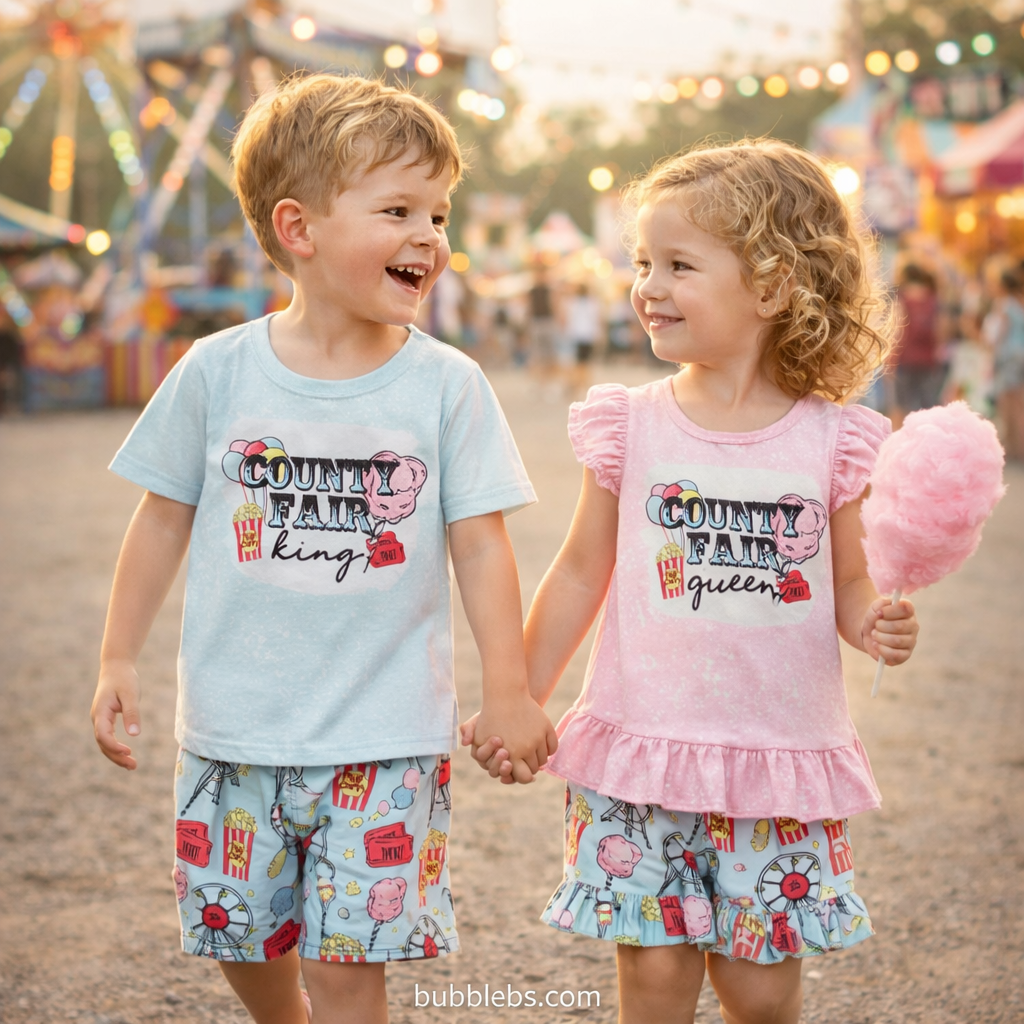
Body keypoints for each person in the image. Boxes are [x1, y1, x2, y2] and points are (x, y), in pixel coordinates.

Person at [91, 74, 556, 1024]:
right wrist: (117, 657)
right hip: (233, 729)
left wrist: (508, 690)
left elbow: (480, 546)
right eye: (398, 210)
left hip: (385, 737)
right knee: (238, 932)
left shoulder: (446, 385)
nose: (430, 236)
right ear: (298, 228)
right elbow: (162, 518)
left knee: (351, 965)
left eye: (439, 213)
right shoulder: (217, 372)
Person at [465, 139, 919, 1024]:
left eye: (679, 265)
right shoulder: (631, 424)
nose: (648, 287)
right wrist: (516, 694)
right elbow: (580, 572)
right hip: (646, 749)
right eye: (643, 263)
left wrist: (874, 621)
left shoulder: (834, 440)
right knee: (657, 978)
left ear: (773, 285)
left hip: (776, 758)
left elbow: (850, 582)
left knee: (758, 988)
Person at [890, 262, 946, 428]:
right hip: (928, 358)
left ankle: (901, 440)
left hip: (904, 358)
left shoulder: (902, 297)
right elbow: (940, 329)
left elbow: (898, 329)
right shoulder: (932, 298)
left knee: (901, 405)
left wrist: (890, 357)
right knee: (927, 405)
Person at [984, 267, 1024, 460]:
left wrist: (992, 353)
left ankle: (1014, 446)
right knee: (1018, 401)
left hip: (1008, 357)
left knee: (1007, 402)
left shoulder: (1004, 304)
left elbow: (1000, 332)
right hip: (1020, 354)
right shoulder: (1019, 302)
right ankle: (1017, 444)